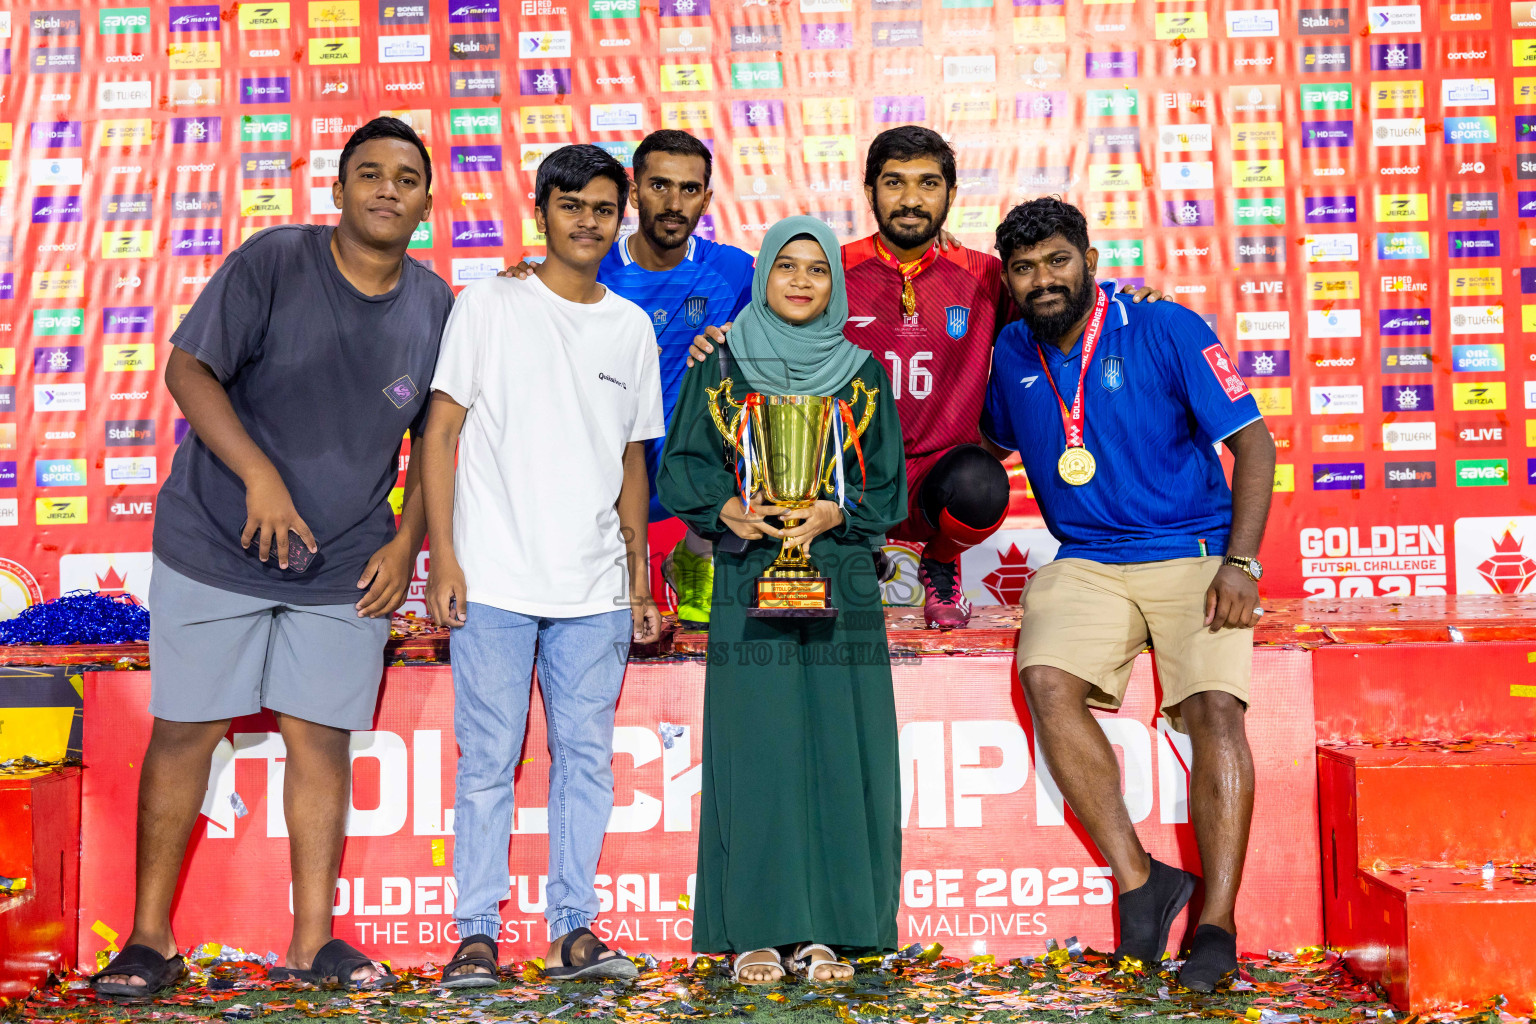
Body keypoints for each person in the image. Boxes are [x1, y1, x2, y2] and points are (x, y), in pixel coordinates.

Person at [90, 117, 450, 996]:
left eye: (406, 178)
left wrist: (409, 542)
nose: (386, 190)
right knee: (185, 735)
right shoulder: (273, 260)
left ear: (428, 203)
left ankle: (312, 942)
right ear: (337, 188)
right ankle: (148, 939)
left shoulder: (438, 304)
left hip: (345, 565)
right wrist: (257, 474)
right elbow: (186, 370)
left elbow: (443, 436)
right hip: (215, 543)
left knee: (319, 742)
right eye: (369, 173)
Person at [690, 126, 1167, 629]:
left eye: (928, 184)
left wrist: (1125, 299)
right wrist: (721, 341)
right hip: (844, 471)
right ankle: (861, 549)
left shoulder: (985, 274)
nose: (912, 200)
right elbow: (766, 328)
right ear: (870, 190)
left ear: (952, 194)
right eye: (894, 183)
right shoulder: (832, 270)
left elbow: (1053, 298)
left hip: (939, 474)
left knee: (982, 485)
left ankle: (940, 562)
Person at [979, 198, 1274, 992]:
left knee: (1215, 707)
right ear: (1008, 280)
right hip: (1087, 558)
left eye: (1057, 261)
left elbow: (1254, 443)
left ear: (1090, 260)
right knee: (1047, 681)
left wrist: (1240, 564)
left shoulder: (1165, 326)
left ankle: (1216, 924)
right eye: (1025, 268)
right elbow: (979, 442)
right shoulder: (1010, 351)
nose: (1043, 279)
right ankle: (1143, 878)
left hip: (1195, 548)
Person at [418, 143, 665, 987]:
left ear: (618, 218)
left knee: (584, 759)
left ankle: (572, 929)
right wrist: (442, 558)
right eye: (571, 206)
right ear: (542, 212)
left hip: (595, 588)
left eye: (603, 207)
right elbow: (441, 432)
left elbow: (633, 461)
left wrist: (637, 578)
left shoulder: (630, 328)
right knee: (488, 760)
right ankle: (477, 931)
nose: (588, 221)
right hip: (491, 580)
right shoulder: (489, 304)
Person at [657, 216, 908, 985]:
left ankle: (834, 929)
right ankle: (757, 930)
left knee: (843, 746)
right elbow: (685, 464)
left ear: (836, 283)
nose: (801, 281)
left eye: (818, 270)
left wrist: (839, 512)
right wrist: (726, 511)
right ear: (763, 274)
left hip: (840, 569)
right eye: (786, 267)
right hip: (747, 571)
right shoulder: (723, 363)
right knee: (758, 747)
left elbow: (886, 482)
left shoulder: (861, 371)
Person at [500, 130, 755, 628]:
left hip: (692, 444)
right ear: (634, 192)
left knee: (753, 387)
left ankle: (698, 555)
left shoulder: (736, 271)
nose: (674, 203)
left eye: (689, 189)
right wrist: (523, 280)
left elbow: (812, 286)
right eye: (659, 186)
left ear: (707, 197)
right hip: (609, 444)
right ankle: (596, 573)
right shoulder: (590, 262)